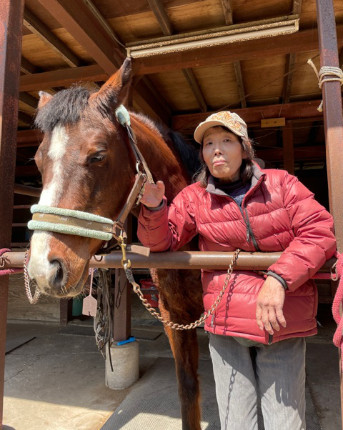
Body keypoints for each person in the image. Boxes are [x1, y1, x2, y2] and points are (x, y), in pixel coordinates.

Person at [137, 111, 336, 430]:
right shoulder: (194, 197)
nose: (216, 149)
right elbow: (162, 241)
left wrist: (278, 279)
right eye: (209, 143)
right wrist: (154, 208)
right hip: (226, 322)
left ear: (245, 148)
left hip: (281, 321)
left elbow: (319, 231)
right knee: (236, 422)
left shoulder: (282, 184)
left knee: (284, 422)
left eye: (226, 140)